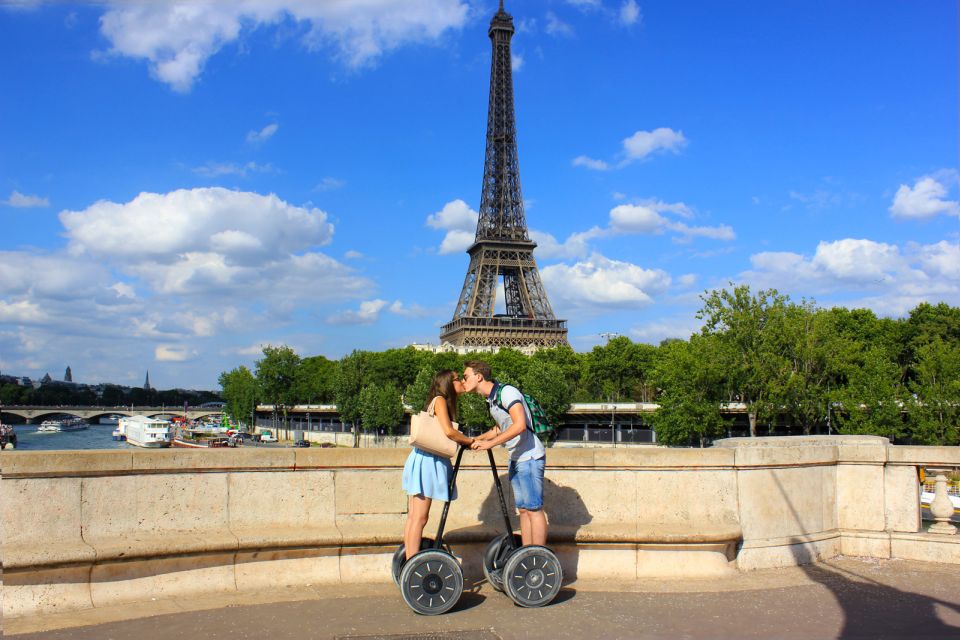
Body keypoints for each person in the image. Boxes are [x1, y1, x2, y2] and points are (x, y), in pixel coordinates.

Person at [462, 360, 548, 547]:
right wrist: (477, 440)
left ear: (479, 376)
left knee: (534, 510)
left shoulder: (507, 392)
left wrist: (490, 444)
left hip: (530, 457)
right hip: (517, 458)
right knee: (524, 511)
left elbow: (519, 425)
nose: (463, 381)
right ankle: (526, 554)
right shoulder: (492, 400)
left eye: (466, 376)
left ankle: (539, 557)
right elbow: (500, 428)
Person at [401, 370, 475, 560]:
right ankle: (411, 562)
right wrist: (470, 441)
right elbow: (449, 432)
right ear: (449, 383)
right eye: (459, 378)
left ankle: (410, 560)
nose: (462, 381)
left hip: (424, 459)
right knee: (419, 517)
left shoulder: (440, 400)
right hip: (427, 462)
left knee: (415, 517)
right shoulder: (440, 400)